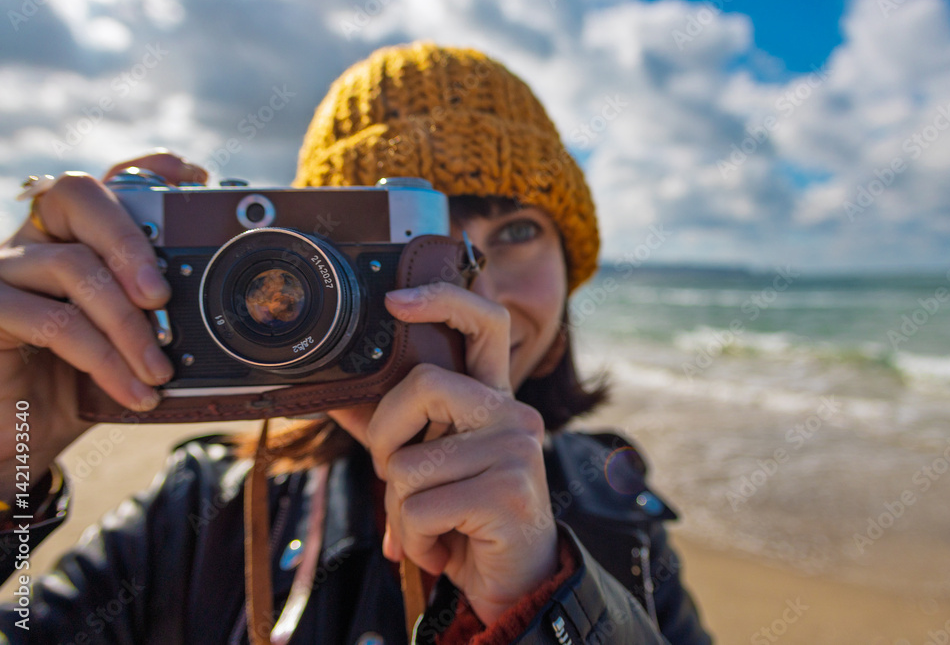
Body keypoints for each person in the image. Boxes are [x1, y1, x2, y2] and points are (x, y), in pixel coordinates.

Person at [0, 42, 711, 644]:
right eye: (413, 242)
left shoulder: (621, 518)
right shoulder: (196, 512)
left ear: (570, 271)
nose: (470, 294)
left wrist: (540, 593)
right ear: (280, 265)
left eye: (517, 231)